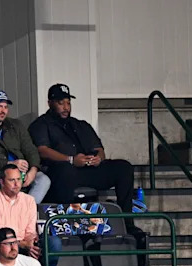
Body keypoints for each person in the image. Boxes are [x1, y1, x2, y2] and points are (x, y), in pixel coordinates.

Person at [29, 84, 135, 212]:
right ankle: (65, 222)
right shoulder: (41, 124)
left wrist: (98, 159)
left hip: (87, 170)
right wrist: (71, 160)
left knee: (124, 168)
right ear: (50, 103)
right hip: (60, 172)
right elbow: (42, 150)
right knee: (65, 170)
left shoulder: (80, 125)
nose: (65, 107)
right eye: (60, 103)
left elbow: (99, 149)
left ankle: (126, 221)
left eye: (68, 103)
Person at [0, 90, 51, 203]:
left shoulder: (16, 125)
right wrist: (8, 164)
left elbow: (31, 149)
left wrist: (33, 170)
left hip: (22, 171)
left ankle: (26, 210)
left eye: (5, 107)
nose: (3, 111)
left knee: (43, 180)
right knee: (12, 178)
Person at [0, 165, 61, 266]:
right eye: (11, 180)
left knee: (54, 243)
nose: (16, 184)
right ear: (2, 182)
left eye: (19, 179)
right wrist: (21, 243)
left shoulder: (29, 200)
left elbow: (30, 230)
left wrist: (30, 242)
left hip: (25, 243)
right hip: (4, 244)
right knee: (6, 246)